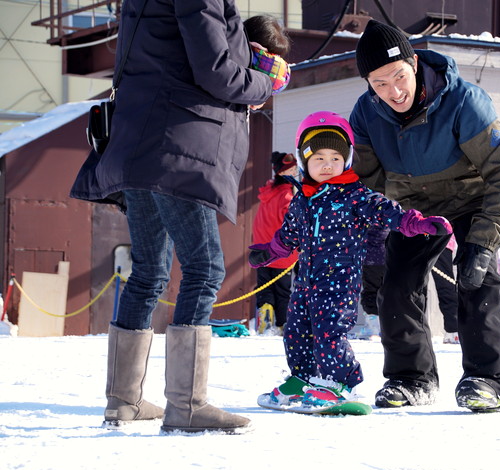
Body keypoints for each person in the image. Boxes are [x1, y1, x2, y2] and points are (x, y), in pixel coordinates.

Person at [70, 0, 287, 434]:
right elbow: (216, 72)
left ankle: (123, 401)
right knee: (205, 268)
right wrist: (266, 83)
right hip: (177, 146)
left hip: (138, 141)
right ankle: (186, 405)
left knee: (148, 272)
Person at [350, 19, 500, 412]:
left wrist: (484, 240)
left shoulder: (465, 101)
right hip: (411, 205)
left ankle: (487, 378)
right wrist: (376, 238)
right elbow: (370, 181)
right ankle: (411, 379)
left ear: (413, 64)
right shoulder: (365, 114)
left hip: (471, 196)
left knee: (477, 279)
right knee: (395, 286)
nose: (393, 92)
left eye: (398, 77)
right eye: (379, 84)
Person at [249, 111, 452, 409]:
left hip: (338, 282)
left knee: (329, 332)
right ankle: (304, 378)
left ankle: (341, 382)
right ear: (304, 160)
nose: (328, 164)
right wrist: (269, 252)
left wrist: (416, 223)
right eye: (319, 158)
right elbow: (288, 235)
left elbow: (388, 212)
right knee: (295, 331)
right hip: (305, 282)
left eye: (335, 157)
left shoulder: (355, 196)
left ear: (346, 159)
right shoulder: (303, 198)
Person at [355, 230, 459, 343]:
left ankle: (451, 328)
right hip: (415, 235)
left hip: (428, 234)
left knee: (433, 283)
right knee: (419, 285)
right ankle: (419, 327)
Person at [251, 151, 299, 335]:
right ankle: (281, 324)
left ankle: (265, 316)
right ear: (282, 172)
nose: (295, 172)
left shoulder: (267, 193)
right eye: (291, 169)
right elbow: (292, 225)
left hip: (262, 249)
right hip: (282, 252)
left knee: (264, 286)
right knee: (282, 290)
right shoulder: (287, 198)